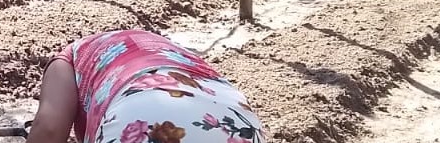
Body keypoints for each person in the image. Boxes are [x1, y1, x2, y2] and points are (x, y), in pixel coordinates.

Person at [27, 29, 266, 143]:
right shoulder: (162, 48)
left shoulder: (68, 58)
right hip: (236, 120)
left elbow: (48, 129)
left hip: (142, 116)